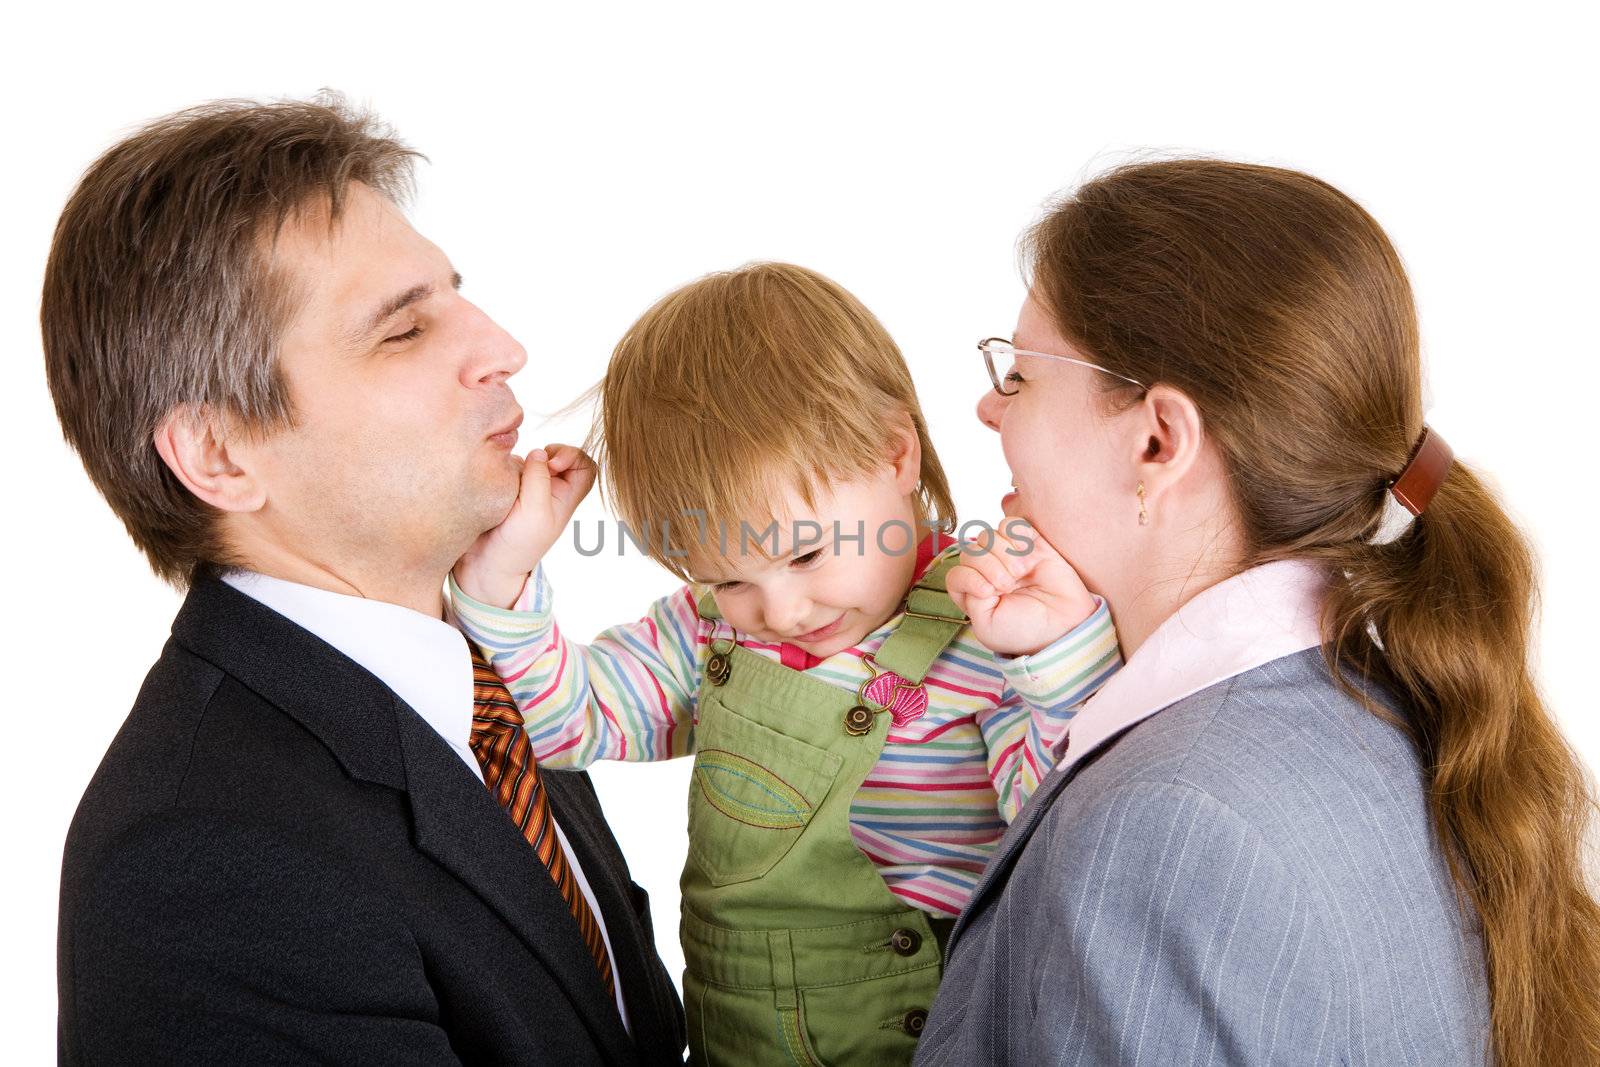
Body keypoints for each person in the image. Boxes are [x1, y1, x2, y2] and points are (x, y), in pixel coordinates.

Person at [914, 159, 1600, 1065]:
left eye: (1021, 375)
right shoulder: (1384, 701)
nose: (987, 407)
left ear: (1157, 439)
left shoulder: (1158, 828)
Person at [46, 96, 685, 1064]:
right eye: (402, 332)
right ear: (218, 453)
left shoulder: (489, 687)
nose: (502, 347)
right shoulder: (203, 856)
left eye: (455, 295)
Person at [446, 262, 1123, 1063]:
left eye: (806, 552)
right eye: (728, 577)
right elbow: (557, 725)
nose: (783, 611)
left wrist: (1060, 658)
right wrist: (502, 577)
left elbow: (1065, 829)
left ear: (894, 453)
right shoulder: (710, 638)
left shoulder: (990, 623)